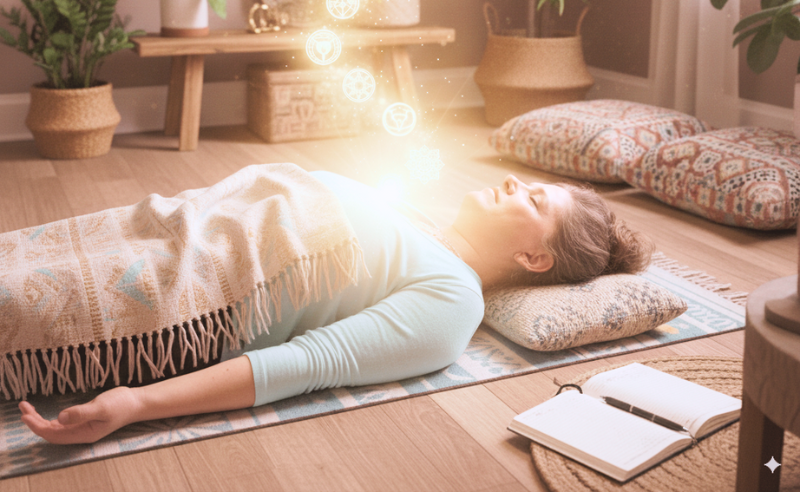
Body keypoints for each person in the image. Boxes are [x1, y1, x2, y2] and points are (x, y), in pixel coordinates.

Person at [18, 169, 652, 445]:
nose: (515, 183)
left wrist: (136, 403)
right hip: (169, 225)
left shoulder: (453, 301)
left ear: (535, 260)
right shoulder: (417, 222)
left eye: (535, 202)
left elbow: (306, 363)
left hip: (175, 293)